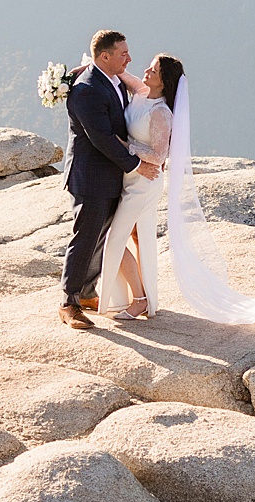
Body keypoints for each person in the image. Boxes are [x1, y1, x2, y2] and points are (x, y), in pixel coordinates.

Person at [59, 30, 160, 330]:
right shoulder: (88, 89)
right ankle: (68, 303)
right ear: (104, 56)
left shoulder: (112, 79)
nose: (129, 58)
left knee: (100, 237)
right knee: (85, 237)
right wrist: (135, 165)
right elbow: (101, 137)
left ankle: (87, 293)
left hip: (109, 176)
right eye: (122, 53)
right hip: (91, 177)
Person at [98, 53, 180, 320]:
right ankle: (144, 297)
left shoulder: (161, 113)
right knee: (136, 238)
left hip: (144, 184)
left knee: (114, 239)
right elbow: (117, 72)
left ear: (164, 82)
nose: (147, 70)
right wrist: (83, 68)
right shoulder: (142, 92)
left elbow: (159, 156)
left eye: (154, 71)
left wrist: (125, 147)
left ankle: (140, 299)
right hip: (131, 177)